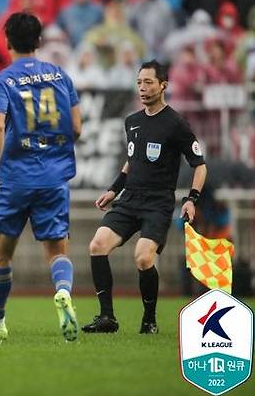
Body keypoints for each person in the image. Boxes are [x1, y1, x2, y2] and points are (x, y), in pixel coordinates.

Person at [82, 60, 207, 335]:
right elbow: (131, 162)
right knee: (97, 245)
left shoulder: (176, 123)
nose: (142, 87)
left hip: (158, 203)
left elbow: (199, 164)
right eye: (139, 82)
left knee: (142, 258)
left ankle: (149, 320)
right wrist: (114, 189)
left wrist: (191, 199)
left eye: (148, 82)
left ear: (163, 85)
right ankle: (107, 318)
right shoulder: (133, 122)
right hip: (129, 200)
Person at [0, 12, 82, 342]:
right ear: (39, 42)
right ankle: (63, 292)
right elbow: (77, 127)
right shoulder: (61, 76)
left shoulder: (2, 81)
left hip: (14, 178)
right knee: (57, 252)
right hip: (53, 178)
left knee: (0, 255)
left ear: (7, 42)